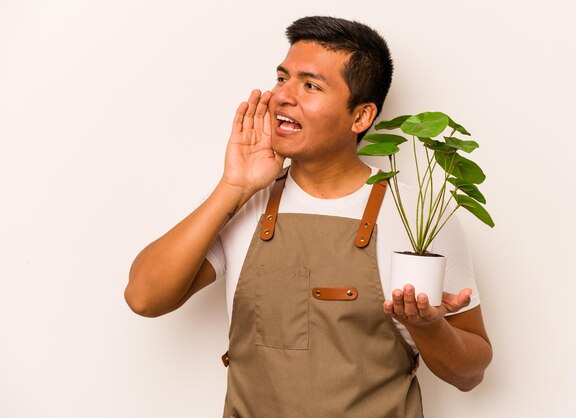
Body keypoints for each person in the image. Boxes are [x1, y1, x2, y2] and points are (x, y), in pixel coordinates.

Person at [125, 16, 492, 417]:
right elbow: (144, 297)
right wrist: (234, 186)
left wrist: (428, 326)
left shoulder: (418, 217)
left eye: (311, 85)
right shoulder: (243, 200)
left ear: (361, 116)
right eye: (282, 78)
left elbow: (470, 374)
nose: (283, 95)